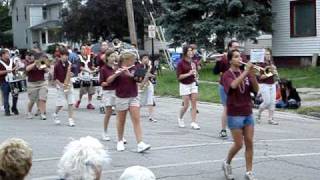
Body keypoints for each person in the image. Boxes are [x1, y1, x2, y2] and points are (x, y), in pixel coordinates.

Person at [222, 49, 259, 180]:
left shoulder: (247, 73)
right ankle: (226, 162)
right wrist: (245, 72)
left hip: (247, 111)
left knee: (249, 142)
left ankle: (249, 172)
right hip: (234, 113)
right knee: (239, 144)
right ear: (230, 60)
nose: (239, 59)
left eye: (240, 56)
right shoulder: (227, 75)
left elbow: (256, 90)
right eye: (236, 57)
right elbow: (233, 86)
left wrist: (253, 75)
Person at [113, 52, 151, 153]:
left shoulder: (135, 67)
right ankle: (120, 141)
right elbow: (112, 82)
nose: (134, 61)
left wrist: (130, 74)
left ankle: (140, 143)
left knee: (136, 119)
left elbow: (139, 80)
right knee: (121, 120)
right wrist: (119, 73)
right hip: (121, 96)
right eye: (132, 59)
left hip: (133, 95)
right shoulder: (117, 68)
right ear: (127, 60)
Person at [214, 40, 246, 138]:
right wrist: (218, 62)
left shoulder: (242, 57)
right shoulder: (224, 58)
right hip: (225, 85)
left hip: (237, 84)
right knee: (227, 108)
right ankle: (223, 130)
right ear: (229, 48)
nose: (236, 49)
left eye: (238, 47)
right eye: (234, 47)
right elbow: (216, 71)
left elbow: (244, 70)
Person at [176, 45, 200, 130]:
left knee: (194, 103)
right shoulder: (180, 63)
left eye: (192, 50)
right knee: (186, 105)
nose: (191, 52)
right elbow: (179, 77)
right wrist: (189, 74)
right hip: (184, 85)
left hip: (193, 84)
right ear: (185, 52)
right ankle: (180, 118)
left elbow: (196, 74)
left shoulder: (194, 62)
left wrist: (196, 75)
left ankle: (193, 122)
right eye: (189, 50)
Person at [52, 47, 75, 127]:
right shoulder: (57, 65)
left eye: (66, 55)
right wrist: (61, 85)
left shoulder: (69, 64)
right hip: (61, 85)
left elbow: (72, 73)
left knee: (71, 102)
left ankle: (70, 119)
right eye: (63, 55)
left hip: (69, 84)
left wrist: (71, 74)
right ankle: (55, 114)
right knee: (60, 104)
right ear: (60, 56)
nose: (65, 57)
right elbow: (55, 78)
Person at [100, 50, 119, 141]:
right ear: (107, 58)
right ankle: (105, 132)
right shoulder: (103, 69)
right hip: (107, 92)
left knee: (119, 113)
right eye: (111, 56)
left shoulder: (116, 68)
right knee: (108, 113)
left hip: (117, 91)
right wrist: (108, 82)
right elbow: (102, 83)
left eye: (114, 56)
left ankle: (120, 135)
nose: (113, 58)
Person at [256, 48, 279, 125]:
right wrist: (270, 73)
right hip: (264, 85)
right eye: (266, 54)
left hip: (272, 84)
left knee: (272, 103)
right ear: (263, 55)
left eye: (269, 54)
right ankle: (258, 114)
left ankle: (270, 119)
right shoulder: (260, 64)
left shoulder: (271, 63)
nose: (268, 56)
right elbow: (260, 77)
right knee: (267, 102)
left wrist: (275, 73)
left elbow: (274, 74)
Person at [25, 52, 49, 120]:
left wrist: (43, 66)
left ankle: (42, 113)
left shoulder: (42, 63)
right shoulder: (29, 63)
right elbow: (27, 69)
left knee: (42, 98)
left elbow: (47, 71)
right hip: (32, 84)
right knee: (32, 100)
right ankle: (29, 112)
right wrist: (35, 63)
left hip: (42, 83)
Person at [75, 45, 97, 109]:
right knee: (82, 91)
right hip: (83, 76)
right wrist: (88, 71)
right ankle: (79, 100)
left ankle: (89, 103)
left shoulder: (89, 57)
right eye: (82, 49)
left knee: (91, 90)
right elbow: (80, 67)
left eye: (85, 49)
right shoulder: (78, 57)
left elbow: (91, 66)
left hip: (90, 76)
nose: (84, 50)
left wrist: (95, 69)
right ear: (80, 50)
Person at [138, 54, 157, 122]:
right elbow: (142, 76)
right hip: (141, 85)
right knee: (140, 101)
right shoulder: (139, 66)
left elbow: (154, 76)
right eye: (145, 58)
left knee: (150, 100)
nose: (146, 59)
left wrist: (150, 73)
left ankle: (151, 116)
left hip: (149, 84)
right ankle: (134, 112)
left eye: (147, 58)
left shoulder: (151, 66)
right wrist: (149, 71)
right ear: (141, 59)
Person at [0, 49, 19, 116]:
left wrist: (16, 69)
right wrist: (7, 71)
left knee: (15, 95)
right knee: (6, 96)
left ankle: (14, 107)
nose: (9, 55)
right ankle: (7, 110)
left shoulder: (11, 61)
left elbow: (14, 70)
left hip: (13, 80)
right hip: (4, 81)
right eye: (7, 53)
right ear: (3, 54)